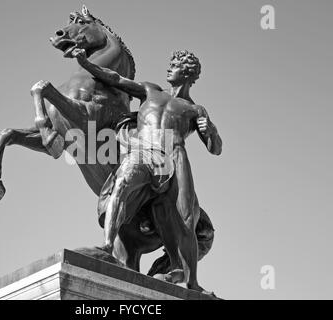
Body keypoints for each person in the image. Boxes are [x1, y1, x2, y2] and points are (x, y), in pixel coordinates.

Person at [72, 48, 222, 291]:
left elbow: (216, 149)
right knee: (122, 183)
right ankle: (107, 247)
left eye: (174, 64)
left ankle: (190, 280)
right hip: (145, 151)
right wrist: (85, 62)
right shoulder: (151, 90)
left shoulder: (196, 110)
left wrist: (210, 132)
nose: (169, 68)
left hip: (175, 156)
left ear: (188, 73)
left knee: (186, 217)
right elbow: (116, 79)